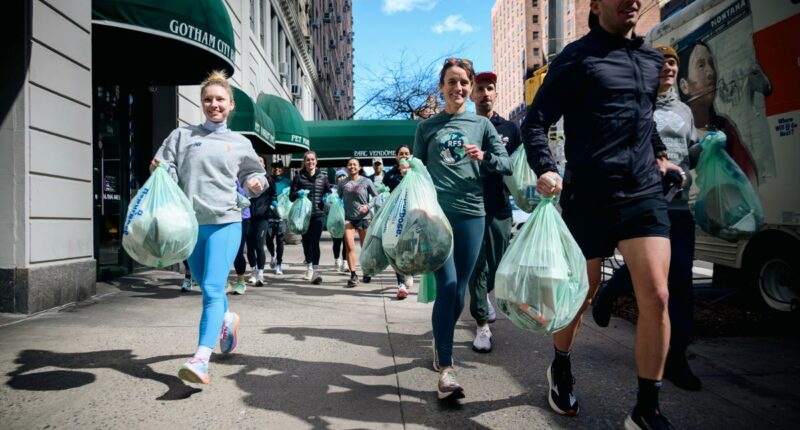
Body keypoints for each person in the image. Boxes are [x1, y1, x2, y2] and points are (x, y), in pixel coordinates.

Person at [521, 2, 685, 427]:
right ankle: (560, 363)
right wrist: (545, 167)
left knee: (658, 296)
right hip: (588, 194)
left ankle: (646, 409)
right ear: (594, 4)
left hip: (642, 192)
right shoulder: (577, 57)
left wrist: (662, 157)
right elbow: (535, 120)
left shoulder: (651, 60)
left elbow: (643, 120)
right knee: (581, 294)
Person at [593, 45, 703, 392]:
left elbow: (690, 156)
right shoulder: (636, 103)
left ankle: (676, 357)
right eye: (661, 63)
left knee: (679, 284)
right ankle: (611, 291)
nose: (668, 68)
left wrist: (710, 147)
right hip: (642, 203)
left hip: (678, 206)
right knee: (654, 279)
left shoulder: (685, 111)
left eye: (672, 62)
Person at [151, 70, 267, 385]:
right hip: (190, 225)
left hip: (226, 221)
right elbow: (167, 168)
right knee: (206, 288)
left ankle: (202, 358)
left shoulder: (240, 142)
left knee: (214, 289)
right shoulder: (181, 136)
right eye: (208, 99)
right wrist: (160, 168)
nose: (213, 104)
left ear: (230, 105)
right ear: (202, 103)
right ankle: (227, 319)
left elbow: (257, 176)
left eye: (220, 99)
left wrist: (255, 182)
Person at [413, 57, 511, 400]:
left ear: (470, 88)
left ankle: (440, 345)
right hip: (437, 216)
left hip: (473, 214)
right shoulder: (427, 127)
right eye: (452, 82)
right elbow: (417, 170)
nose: (458, 88)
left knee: (459, 292)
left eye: (464, 82)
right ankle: (447, 368)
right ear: (441, 87)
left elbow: (507, 163)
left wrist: (484, 157)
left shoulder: (482, 126)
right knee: (449, 284)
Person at [467, 71, 521, 353]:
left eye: (490, 88)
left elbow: (522, 166)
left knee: (497, 265)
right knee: (477, 267)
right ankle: (481, 327)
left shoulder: (511, 129)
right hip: (472, 207)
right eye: (480, 88)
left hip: (500, 208)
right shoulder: (465, 127)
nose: (485, 93)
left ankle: (483, 297)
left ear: (496, 93)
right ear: (472, 94)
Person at [678, 41, 757, 184]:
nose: (711, 73)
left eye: (711, 64)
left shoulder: (724, 127)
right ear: (684, 86)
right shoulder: (680, 132)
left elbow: (749, 176)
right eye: (701, 65)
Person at [290, 151, 328, 284]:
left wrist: (328, 198)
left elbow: (327, 191)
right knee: (306, 243)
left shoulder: (322, 177)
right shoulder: (298, 177)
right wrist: (297, 194)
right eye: (308, 160)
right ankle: (309, 266)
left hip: (318, 214)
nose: (310, 162)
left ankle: (316, 271)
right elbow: (291, 196)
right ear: (304, 162)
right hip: (303, 216)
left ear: (316, 161)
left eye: (312, 160)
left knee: (315, 242)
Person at [338, 158, 377, 288]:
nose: (352, 166)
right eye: (349, 164)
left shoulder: (366, 181)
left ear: (359, 167)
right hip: (348, 218)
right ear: (347, 167)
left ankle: (366, 270)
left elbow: (376, 197)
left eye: (354, 164)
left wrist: (368, 206)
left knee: (364, 248)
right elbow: (337, 199)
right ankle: (353, 275)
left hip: (363, 218)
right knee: (349, 247)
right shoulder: (343, 183)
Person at [383, 145, 415, 299]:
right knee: (396, 248)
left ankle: (409, 271)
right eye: (401, 154)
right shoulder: (390, 174)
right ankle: (401, 283)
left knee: (410, 247)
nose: (404, 156)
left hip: (414, 214)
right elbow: (385, 190)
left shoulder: (416, 171)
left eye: (406, 153)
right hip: (396, 216)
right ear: (396, 157)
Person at [246, 155, 275, 286]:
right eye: (256, 161)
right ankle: (253, 271)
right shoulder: (247, 178)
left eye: (261, 161)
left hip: (262, 217)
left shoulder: (268, 179)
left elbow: (274, 195)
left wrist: (273, 205)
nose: (258, 163)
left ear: (264, 165)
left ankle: (261, 274)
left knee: (259, 244)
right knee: (250, 247)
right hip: (247, 216)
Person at [267, 161, 291, 275]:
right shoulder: (268, 180)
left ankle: (279, 265)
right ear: (271, 169)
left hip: (281, 217)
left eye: (279, 167)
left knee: (280, 241)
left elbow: (292, 197)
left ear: (282, 169)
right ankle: (273, 255)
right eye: (274, 167)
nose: (276, 169)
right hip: (269, 215)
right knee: (268, 239)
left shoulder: (287, 182)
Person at [228, 181, 253, 295]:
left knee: (237, 250)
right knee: (223, 251)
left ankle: (241, 281)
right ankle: (224, 281)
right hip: (224, 218)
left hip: (242, 218)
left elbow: (246, 196)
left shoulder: (241, 176)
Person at [331, 169, 348, 273]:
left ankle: (345, 262)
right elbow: (328, 204)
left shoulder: (348, 188)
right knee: (336, 242)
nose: (341, 178)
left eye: (343, 176)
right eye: (339, 176)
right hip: (335, 221)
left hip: (346, 218)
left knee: (346, 242)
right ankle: (337, 260)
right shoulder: (332, 191)